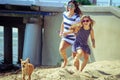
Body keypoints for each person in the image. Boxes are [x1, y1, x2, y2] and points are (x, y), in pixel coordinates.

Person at [59, 0, 83, 68]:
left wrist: (67, 32)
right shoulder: (64, 14)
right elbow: (63, 23)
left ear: (75, 7)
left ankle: (78, 72)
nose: (70, 7)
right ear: (67, 7)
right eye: (69, 5)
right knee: (61, 49)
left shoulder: (77, 17)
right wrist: (61, 31)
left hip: (75, 38)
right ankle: (65, 61)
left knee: (74, 57)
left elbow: (76, 29)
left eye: (72, 6)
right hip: (66, 37)